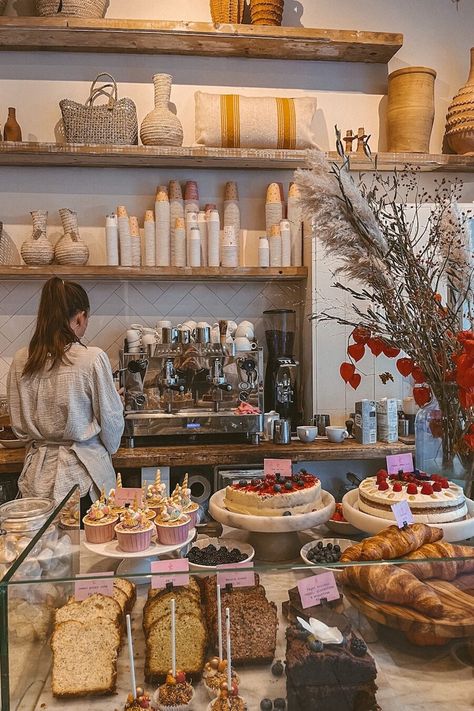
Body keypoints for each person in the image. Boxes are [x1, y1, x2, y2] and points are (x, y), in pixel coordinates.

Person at [7, 277, 124, 514]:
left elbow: (19, 429)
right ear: (80, 317)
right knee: (88, 550)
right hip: (82, 480)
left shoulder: (21, 359)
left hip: (36, 481)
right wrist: (115, 404)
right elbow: (112, 437)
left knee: (43, 548)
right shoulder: (92, 358)